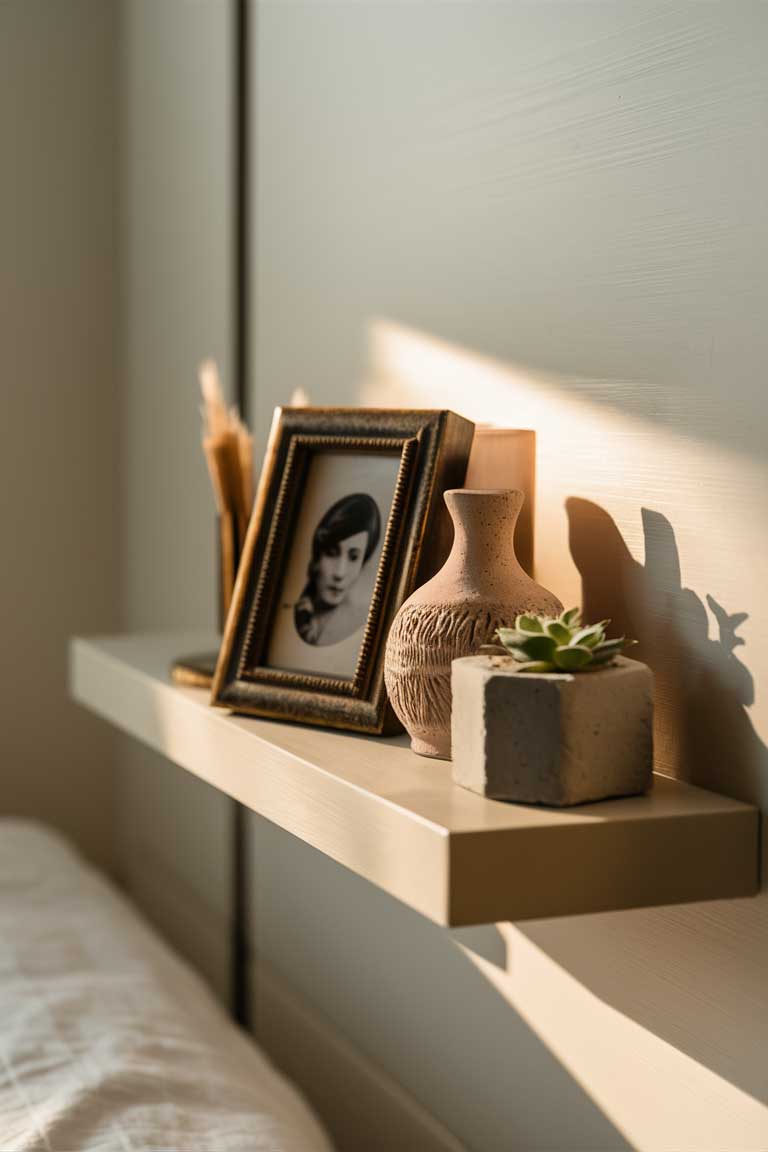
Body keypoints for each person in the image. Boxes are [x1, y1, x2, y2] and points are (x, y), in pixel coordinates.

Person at [294, 493, 381, 646]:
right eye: (331, 553)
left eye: (354, 557)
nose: (340, 573)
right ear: (317, 557)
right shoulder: (296, 611)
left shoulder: (359, 624)